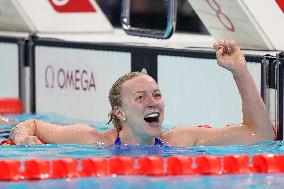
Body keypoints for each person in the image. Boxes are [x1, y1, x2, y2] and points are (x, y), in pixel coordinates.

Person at [9, 39, 275, 147]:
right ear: (119, 112)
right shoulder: (94, 141)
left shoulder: (181, 140)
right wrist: (22, 139)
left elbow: (259, 135)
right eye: (141, 98)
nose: (153, 103)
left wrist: (239, 70)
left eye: (157, 95)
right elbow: (30, 123)